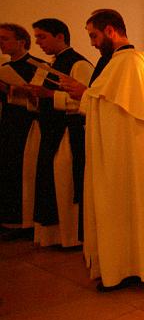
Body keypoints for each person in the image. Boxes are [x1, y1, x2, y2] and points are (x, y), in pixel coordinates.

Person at [60, 9, 144, 291]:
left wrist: (84, 94)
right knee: (124, 207)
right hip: (121, 149)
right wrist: (86, 94)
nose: (93, 43)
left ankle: (128, 268)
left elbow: (113, 107)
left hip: (123, 152)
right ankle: (129, 266)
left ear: (110, 31)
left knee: (121, 207)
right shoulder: (120, 62)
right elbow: (112, 101)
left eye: (94, 35)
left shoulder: (128, 61)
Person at [28, 18, 93, 248]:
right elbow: (40, 98)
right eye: (36, 37)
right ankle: (53, 236)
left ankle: (72, 237)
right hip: (50, 130)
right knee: (49, 183)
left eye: (42, 36)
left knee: (66, 184)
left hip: (68, 132)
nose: (38, 42)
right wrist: (32, 96)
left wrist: (50, 96)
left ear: (60, 36)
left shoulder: (79, 64)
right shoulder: (49, 65)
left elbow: (86, 101)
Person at [0, 24, 44, 239]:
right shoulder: (5, 67)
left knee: (22, 173)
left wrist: (10, 90)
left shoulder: (38, 66)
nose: (1, 43)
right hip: (7, 125)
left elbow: (39, 99)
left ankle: (22, 223)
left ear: (21, 42)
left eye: (5, 38)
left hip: (28, 126)